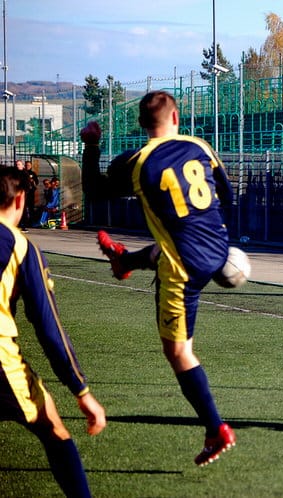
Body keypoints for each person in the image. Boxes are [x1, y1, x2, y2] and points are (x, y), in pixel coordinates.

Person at [97, 90, 236, 466]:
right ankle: (127, 261)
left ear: (143, 125)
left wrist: (92, 145)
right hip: (219, 249)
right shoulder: (200, 145)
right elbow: (227, 194)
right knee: (167, 240)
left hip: (183, 269)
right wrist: (224, 245)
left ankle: (215, 429)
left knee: (178, 352)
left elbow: (95, 191)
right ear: (176, 118)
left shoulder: (137, 163)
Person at [0, 167, 106, 497]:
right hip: (1, 361)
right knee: (53, 428)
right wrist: (81, 390)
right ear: (19, 200)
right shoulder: (20, 246)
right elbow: (49, 328)